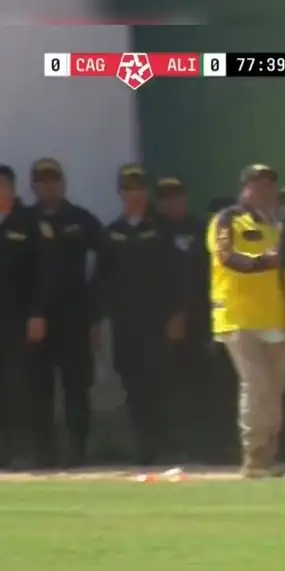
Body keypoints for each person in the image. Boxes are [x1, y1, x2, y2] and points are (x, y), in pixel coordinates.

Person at [208, 164, 285, 478]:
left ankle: (269, 456)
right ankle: (254, 457)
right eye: (257, 185)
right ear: (244, 187)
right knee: (255, 386)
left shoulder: (280, 223)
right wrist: (263, 261)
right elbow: (226, 257)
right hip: (241, 316)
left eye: (269, 186)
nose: (264, 191)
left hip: (279, 316)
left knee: (274, 390)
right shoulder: (228, 219)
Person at [94, 164, 185, 465]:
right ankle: (145, 447)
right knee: (133, 385)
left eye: (140, 188)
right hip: (126, 324)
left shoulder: (163, 228)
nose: (135, 194)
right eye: (129, 188)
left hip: (159, 322)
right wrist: (95, 319)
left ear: (147, 192)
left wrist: (178, 314)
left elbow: (179, 275)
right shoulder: (112, 233)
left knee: (162, 385)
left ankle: (168, 446)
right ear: (121, 193)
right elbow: (102, 279)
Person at [29, 158, 102, 467]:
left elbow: (107, 260)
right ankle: (43, 453)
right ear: (33, 186)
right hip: (34, 320)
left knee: (76, 387)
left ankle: (77, 451)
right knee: (37, 388)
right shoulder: (24, 221)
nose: (48, 186)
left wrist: (95, 310)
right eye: (42, 180)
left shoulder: (81, 219)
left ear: (63, 183)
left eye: (53, 179)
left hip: (74, 317)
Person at [0, 164, 57, 468]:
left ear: (12, 189)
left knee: (22, 385)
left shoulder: (30, 223)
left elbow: (44, 273)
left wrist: (38, 313)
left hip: (20, 319)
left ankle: (29, 451)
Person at [154, 177, 214, 461]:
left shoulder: (201, 229)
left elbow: (201, 278)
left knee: (200, 385)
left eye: (176, 196)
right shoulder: (150, 230)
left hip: (197, 321)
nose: (171, 202)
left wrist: (182, 314)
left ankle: (202, 445)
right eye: (165, 197)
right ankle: (169, 447)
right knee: (164, 388)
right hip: (155, 323)